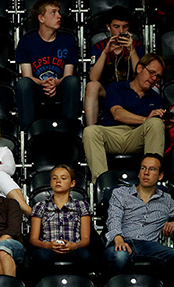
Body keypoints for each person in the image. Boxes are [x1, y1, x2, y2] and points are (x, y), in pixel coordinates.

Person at [83, 53, 167, 182]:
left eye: (157, 76)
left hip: (137, 136)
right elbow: (118, 114)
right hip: (113, 134)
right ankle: (103, 184)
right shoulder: (117, 87)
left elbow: (154, 128)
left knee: (156, 124)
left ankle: (151, 181)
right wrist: (146, 119)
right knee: (90, 131)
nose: (153, 78)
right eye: (151, 72)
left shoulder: (156, 99)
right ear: (139, 69)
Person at [103, 153, 174, 275]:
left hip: (150, 246)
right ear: (139, 173)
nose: (146, 172)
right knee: (120, 256)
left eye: (152, 169)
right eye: (143, 168)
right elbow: (114, 218)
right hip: (123, 241)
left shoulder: (167, 200)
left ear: (160, 176)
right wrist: (118, 239)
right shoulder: (121, 193)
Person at [15, 0, 79, 129]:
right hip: (37, 88)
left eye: (59, 12)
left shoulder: (68, 40)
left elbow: (67, 76)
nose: (59, 16)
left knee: (72, 81)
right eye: (53, 13)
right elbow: (27, 76)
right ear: (41, 18)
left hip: (60, 86)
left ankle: (70, 132)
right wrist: (44, 83)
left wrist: (55, 83)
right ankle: (27, 133)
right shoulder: (27, 41)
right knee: (23, 83)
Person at [85, 6, 144, 126]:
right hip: (108, 91)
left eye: (125, 27)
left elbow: (141, 76)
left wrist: (132, 51)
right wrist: (105, 53)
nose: (121, 31)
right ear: (108, 27)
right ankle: (91, 130)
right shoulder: (99, 47)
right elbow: (93, 78)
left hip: (131, 91)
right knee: (92, 86)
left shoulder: (136, 46)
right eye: (116, 27)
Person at [29, 165, 94, 274]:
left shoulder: (82, 206)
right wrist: (48, 245)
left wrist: (74, 245)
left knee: (85, 255)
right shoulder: (40, 206)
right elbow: (33, 239)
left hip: (74, 247)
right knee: (41, 256)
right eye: (54, 178)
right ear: (50, 183)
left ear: (72, 183)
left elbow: (86, 239)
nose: (58, 181)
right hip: (49, 248)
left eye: (63, 178)